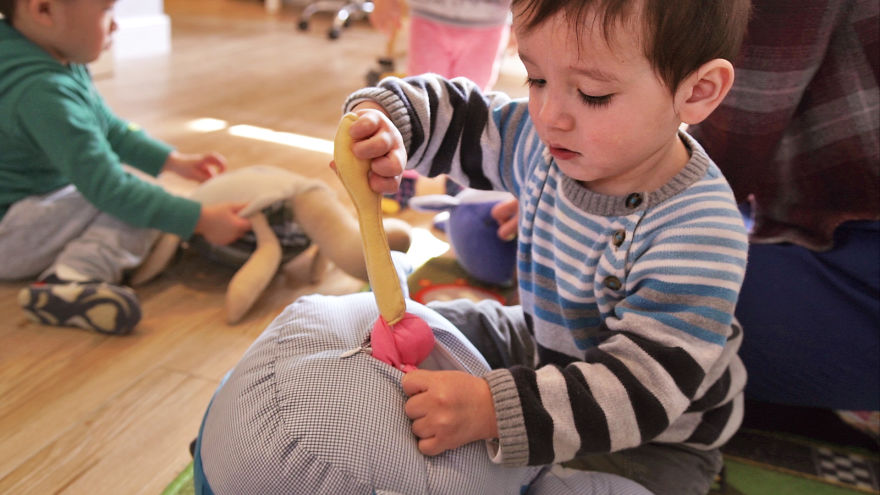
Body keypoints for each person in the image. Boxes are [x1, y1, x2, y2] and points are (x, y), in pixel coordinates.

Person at [334, 0, 752, 492]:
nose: (550, 115)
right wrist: (384, 122)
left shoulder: (701, 230)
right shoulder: (541, 140)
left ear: (697, 92)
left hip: (657, 438)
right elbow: (464, 115)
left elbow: (641, 392)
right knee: (419, 325)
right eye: (536, 79)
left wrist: (490, 410)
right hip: (542, 344)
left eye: (594, 94)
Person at [0, 0, 252, 335]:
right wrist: (202, 221)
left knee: (133, 198)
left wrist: (171, 161)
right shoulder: (44, 93)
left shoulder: (47, 56)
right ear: (43, 11)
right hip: (11, 232)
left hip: (25, 209)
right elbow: (110, 189)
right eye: (106, 10)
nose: (116, 25)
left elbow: (107, 127)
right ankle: (69, 280)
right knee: (133, 208)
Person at [687, 0, 879, 413]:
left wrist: (590, 206)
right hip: (825, 218)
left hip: (862, 253)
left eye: (596, 94)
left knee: (615, 302)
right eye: (537, 80)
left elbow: (727, 147)